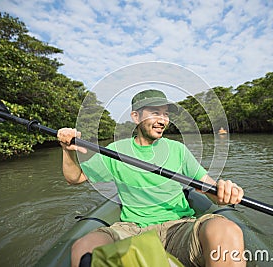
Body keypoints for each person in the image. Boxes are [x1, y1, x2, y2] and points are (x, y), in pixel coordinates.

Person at [57, 89, 245, 267]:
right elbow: (75, 178)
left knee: (227, 230)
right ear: (135, 117)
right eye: (155, 113)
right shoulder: (115, 151)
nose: (162, 120)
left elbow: (208, 186)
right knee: (84, 247)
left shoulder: (178, 150)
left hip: (179, 227)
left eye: (166, 114)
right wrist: (68, 151)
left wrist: (223, 192)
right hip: (131, 229)